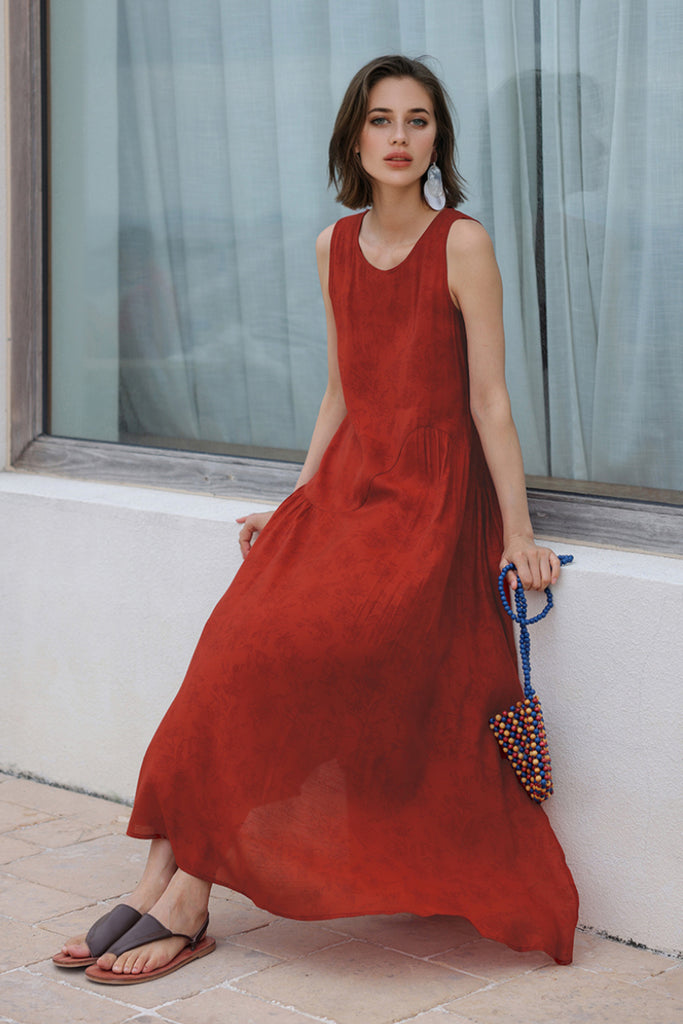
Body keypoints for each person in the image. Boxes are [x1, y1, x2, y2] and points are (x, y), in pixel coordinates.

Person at [54, 54, 578, 984]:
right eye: (381, 120)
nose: (399, 138)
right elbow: (341, 389)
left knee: (291, 659)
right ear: (354, 137)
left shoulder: (461, 243)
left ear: (437, 141)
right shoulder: (332, 246)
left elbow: (489, 401)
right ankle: (159, 883)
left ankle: (187, 896)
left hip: (426, 504)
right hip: (345, 492)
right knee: (227, 652)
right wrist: (299, 500)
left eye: (417, 121)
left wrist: (517, 532)